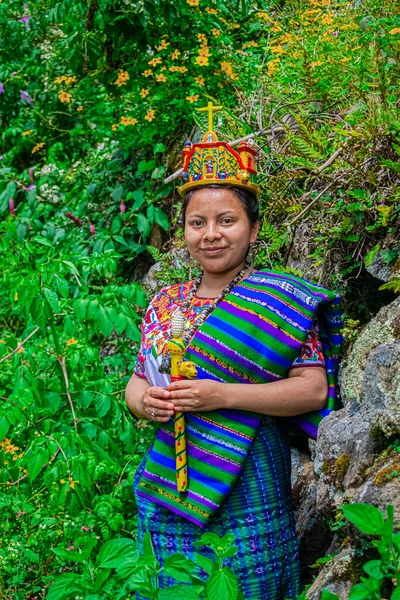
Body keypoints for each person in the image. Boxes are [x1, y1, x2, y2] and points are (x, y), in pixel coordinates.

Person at [125, 105, 341, 600]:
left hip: (250, 469)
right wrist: (145, 402)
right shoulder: (165, 302)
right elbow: (139, 380)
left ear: (254, 228)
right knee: (176, 581)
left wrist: (221, 395)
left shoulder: (277, 303)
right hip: (175, 471)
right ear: (183, 233)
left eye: (227, 220)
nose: (211, 233)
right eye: (197, 223)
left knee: (251, 580)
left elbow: (312, 389)